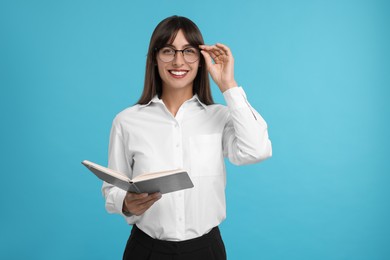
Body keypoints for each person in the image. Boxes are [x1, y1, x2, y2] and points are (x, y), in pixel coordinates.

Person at [102, 15, 272, 260]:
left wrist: (228, 85)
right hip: (146, 249)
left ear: (201, 60)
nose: (178, 61)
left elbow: (257, 150)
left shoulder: (220, 117)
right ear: (154, 58)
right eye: (168, 51)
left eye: (188, 51)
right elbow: (111, 191)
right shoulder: (126, 121)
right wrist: (126, 203)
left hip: (205, 250)